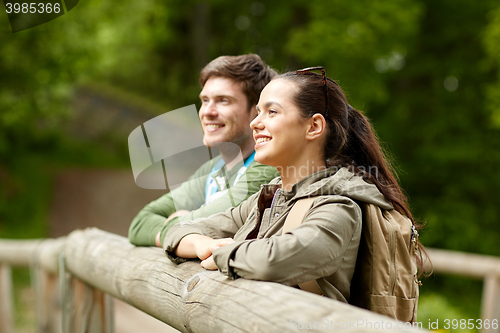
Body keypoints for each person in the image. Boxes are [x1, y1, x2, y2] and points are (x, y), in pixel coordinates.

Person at [162, 67, 423, 303]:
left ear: (314, 126)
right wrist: (200, 245)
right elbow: (176, 232)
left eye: (272, 112)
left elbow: (280, 258)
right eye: (257, 112)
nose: (255, 123)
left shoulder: (338, 205)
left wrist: (221, 253)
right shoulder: (268, 199)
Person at [128, 54, 280, 248]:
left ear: (257, 110)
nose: (207, 111)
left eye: (223, 101)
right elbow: (139, 224)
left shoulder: (269, 166)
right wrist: (180, 233)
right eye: (205, 100)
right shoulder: (212, 170)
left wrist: (175, 225)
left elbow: (188, 225)